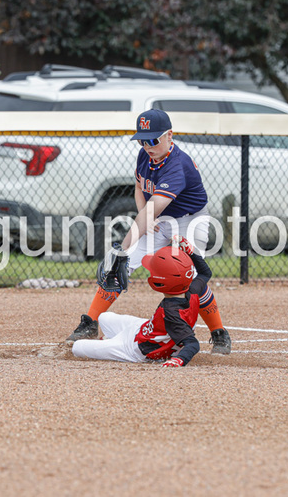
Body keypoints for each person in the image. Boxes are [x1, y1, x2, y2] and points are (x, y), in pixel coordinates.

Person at [66, 108, 232, 354]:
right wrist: (142, 220)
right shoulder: (145, 156)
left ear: (169, 135)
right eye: (142, 140)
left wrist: (124, 245)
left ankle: (219, 333)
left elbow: (151, 209)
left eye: (153, 140)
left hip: (189, 221)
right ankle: (90, 322)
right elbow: (139, 188)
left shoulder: (177, 165)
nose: (147, 146)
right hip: (157, 217)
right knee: (118, 268)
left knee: (187, 276)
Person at [71, 241, 206, 367]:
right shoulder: (193, 290)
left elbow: (192, 344)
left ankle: (112, 342)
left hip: (134, 349)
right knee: (103, 317)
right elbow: (205, 273)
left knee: (77, 347)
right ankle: (111, 340)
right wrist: (191, 251)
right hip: (141, 329)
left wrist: (179, 360)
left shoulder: (171, 312)